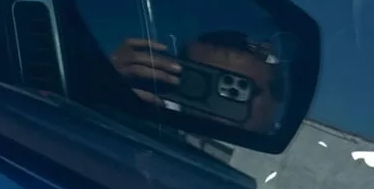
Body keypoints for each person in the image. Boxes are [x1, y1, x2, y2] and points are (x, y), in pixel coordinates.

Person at [110, 30, 282, 133]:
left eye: (239, 89)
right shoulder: (156, 119)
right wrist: (109, 83)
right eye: (200, 83)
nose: (219, 104)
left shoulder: (276, 158)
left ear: (275, 100)